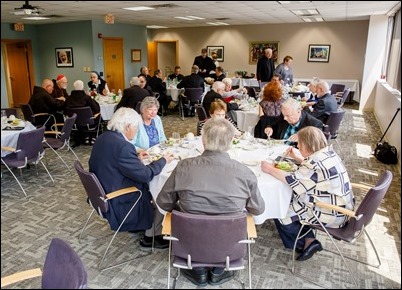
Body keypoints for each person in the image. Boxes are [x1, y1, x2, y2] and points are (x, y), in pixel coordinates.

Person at [157, 117, 265, 286]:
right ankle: (218, 271)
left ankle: (198, 272)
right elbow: (258, 209)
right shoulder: (245, 172)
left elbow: (163, 203)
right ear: (230, 142)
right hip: (229, 247)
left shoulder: (183, 166)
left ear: (203, 140)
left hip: (189, 244)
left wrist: (182, 206)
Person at [260, 126, 355, 261]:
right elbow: (314, 172)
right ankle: (309, 237)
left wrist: (269, 169)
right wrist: (298, 158)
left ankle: (302, 243)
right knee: (289, 202)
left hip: (331, 213)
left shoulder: (314, 163)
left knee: (281, 210)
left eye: (299, 143)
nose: (297, 146)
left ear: (306, 144)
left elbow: (293, 181)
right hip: (342, 207)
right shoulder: (328, 153)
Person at [89, 107, 174, 249]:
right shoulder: (123, 146)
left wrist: (134, 158)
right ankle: (150, 237)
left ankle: (140, 226)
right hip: (119, 198)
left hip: (103, 190)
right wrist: (163, 160)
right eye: (136, 128)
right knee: (161, 192)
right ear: (127, 126)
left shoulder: (103, 137)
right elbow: (145, 175)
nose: (136, 131)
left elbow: (115, 161)